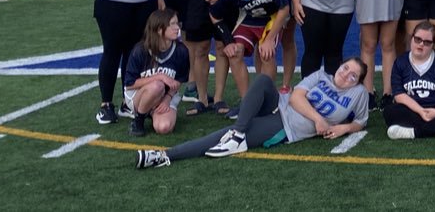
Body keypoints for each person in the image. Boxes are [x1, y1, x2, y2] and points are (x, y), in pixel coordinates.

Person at [133, 58, 369, 169]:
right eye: (345, 67)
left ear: (357, 82)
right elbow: (296, 96)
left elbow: (360, 121)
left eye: (353, 75)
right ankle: (238, 135)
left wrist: (343, 128)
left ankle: (164, 156)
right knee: (265, 80)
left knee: (221, 133)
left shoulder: (359, 94)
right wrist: (319, 119)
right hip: (280, 104)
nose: (346, 74)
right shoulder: (321, 76)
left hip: (285, 126)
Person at [208, 0, 290, 113]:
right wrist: (228, 41)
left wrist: (269, 39)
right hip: (249, 20)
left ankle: (267, 100)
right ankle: (247, 103)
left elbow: (284, 9)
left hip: (270, 20)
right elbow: (214, 15)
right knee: (234, 53)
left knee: (266, 53)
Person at [385, 22, 435, 139]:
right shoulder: (400, 62)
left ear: (433, 44)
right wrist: (420, 111)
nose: (421, 44)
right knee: (390, 111)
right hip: (413, 109)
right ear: (412, 38)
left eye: (427, 42)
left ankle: (413, 133)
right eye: (417, 39)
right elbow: (399, 95)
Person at [123, 9, 190, 137]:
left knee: (164, 128)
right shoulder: (140, 50)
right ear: (159, 30)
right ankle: (138, 120)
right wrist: (160, 76)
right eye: (172, 24)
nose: (177, 28)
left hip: (165, 96)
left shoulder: (181, 51)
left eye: (177, 24)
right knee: (157, 85)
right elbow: (130, 84)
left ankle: (153, 113)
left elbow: (178, 81)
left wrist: (166, 99)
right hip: (139, 96)